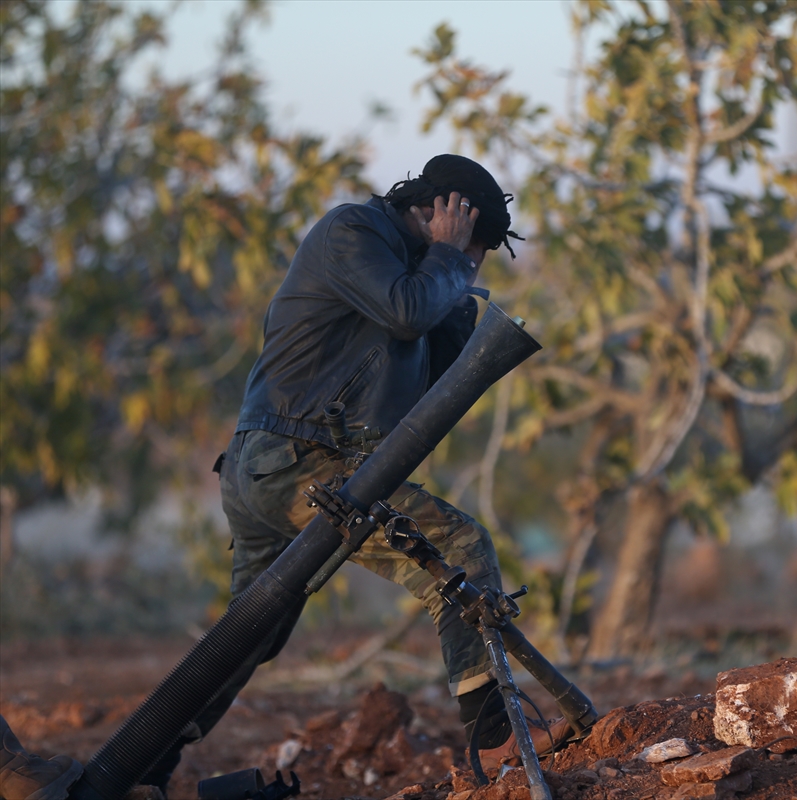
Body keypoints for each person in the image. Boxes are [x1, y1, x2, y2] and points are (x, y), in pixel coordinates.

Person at [138, 154, 567, 794]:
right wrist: (448, 262)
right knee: (457, 545)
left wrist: (456, 299)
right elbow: (403, 311)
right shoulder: (353, 233)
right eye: (471, 247)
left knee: (246, 638)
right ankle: (494, 735)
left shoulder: (419, 275)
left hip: (286, 469)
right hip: (296, 464)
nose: (470, 265)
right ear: (442, 213)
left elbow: (426, 384)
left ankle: (138, 769)